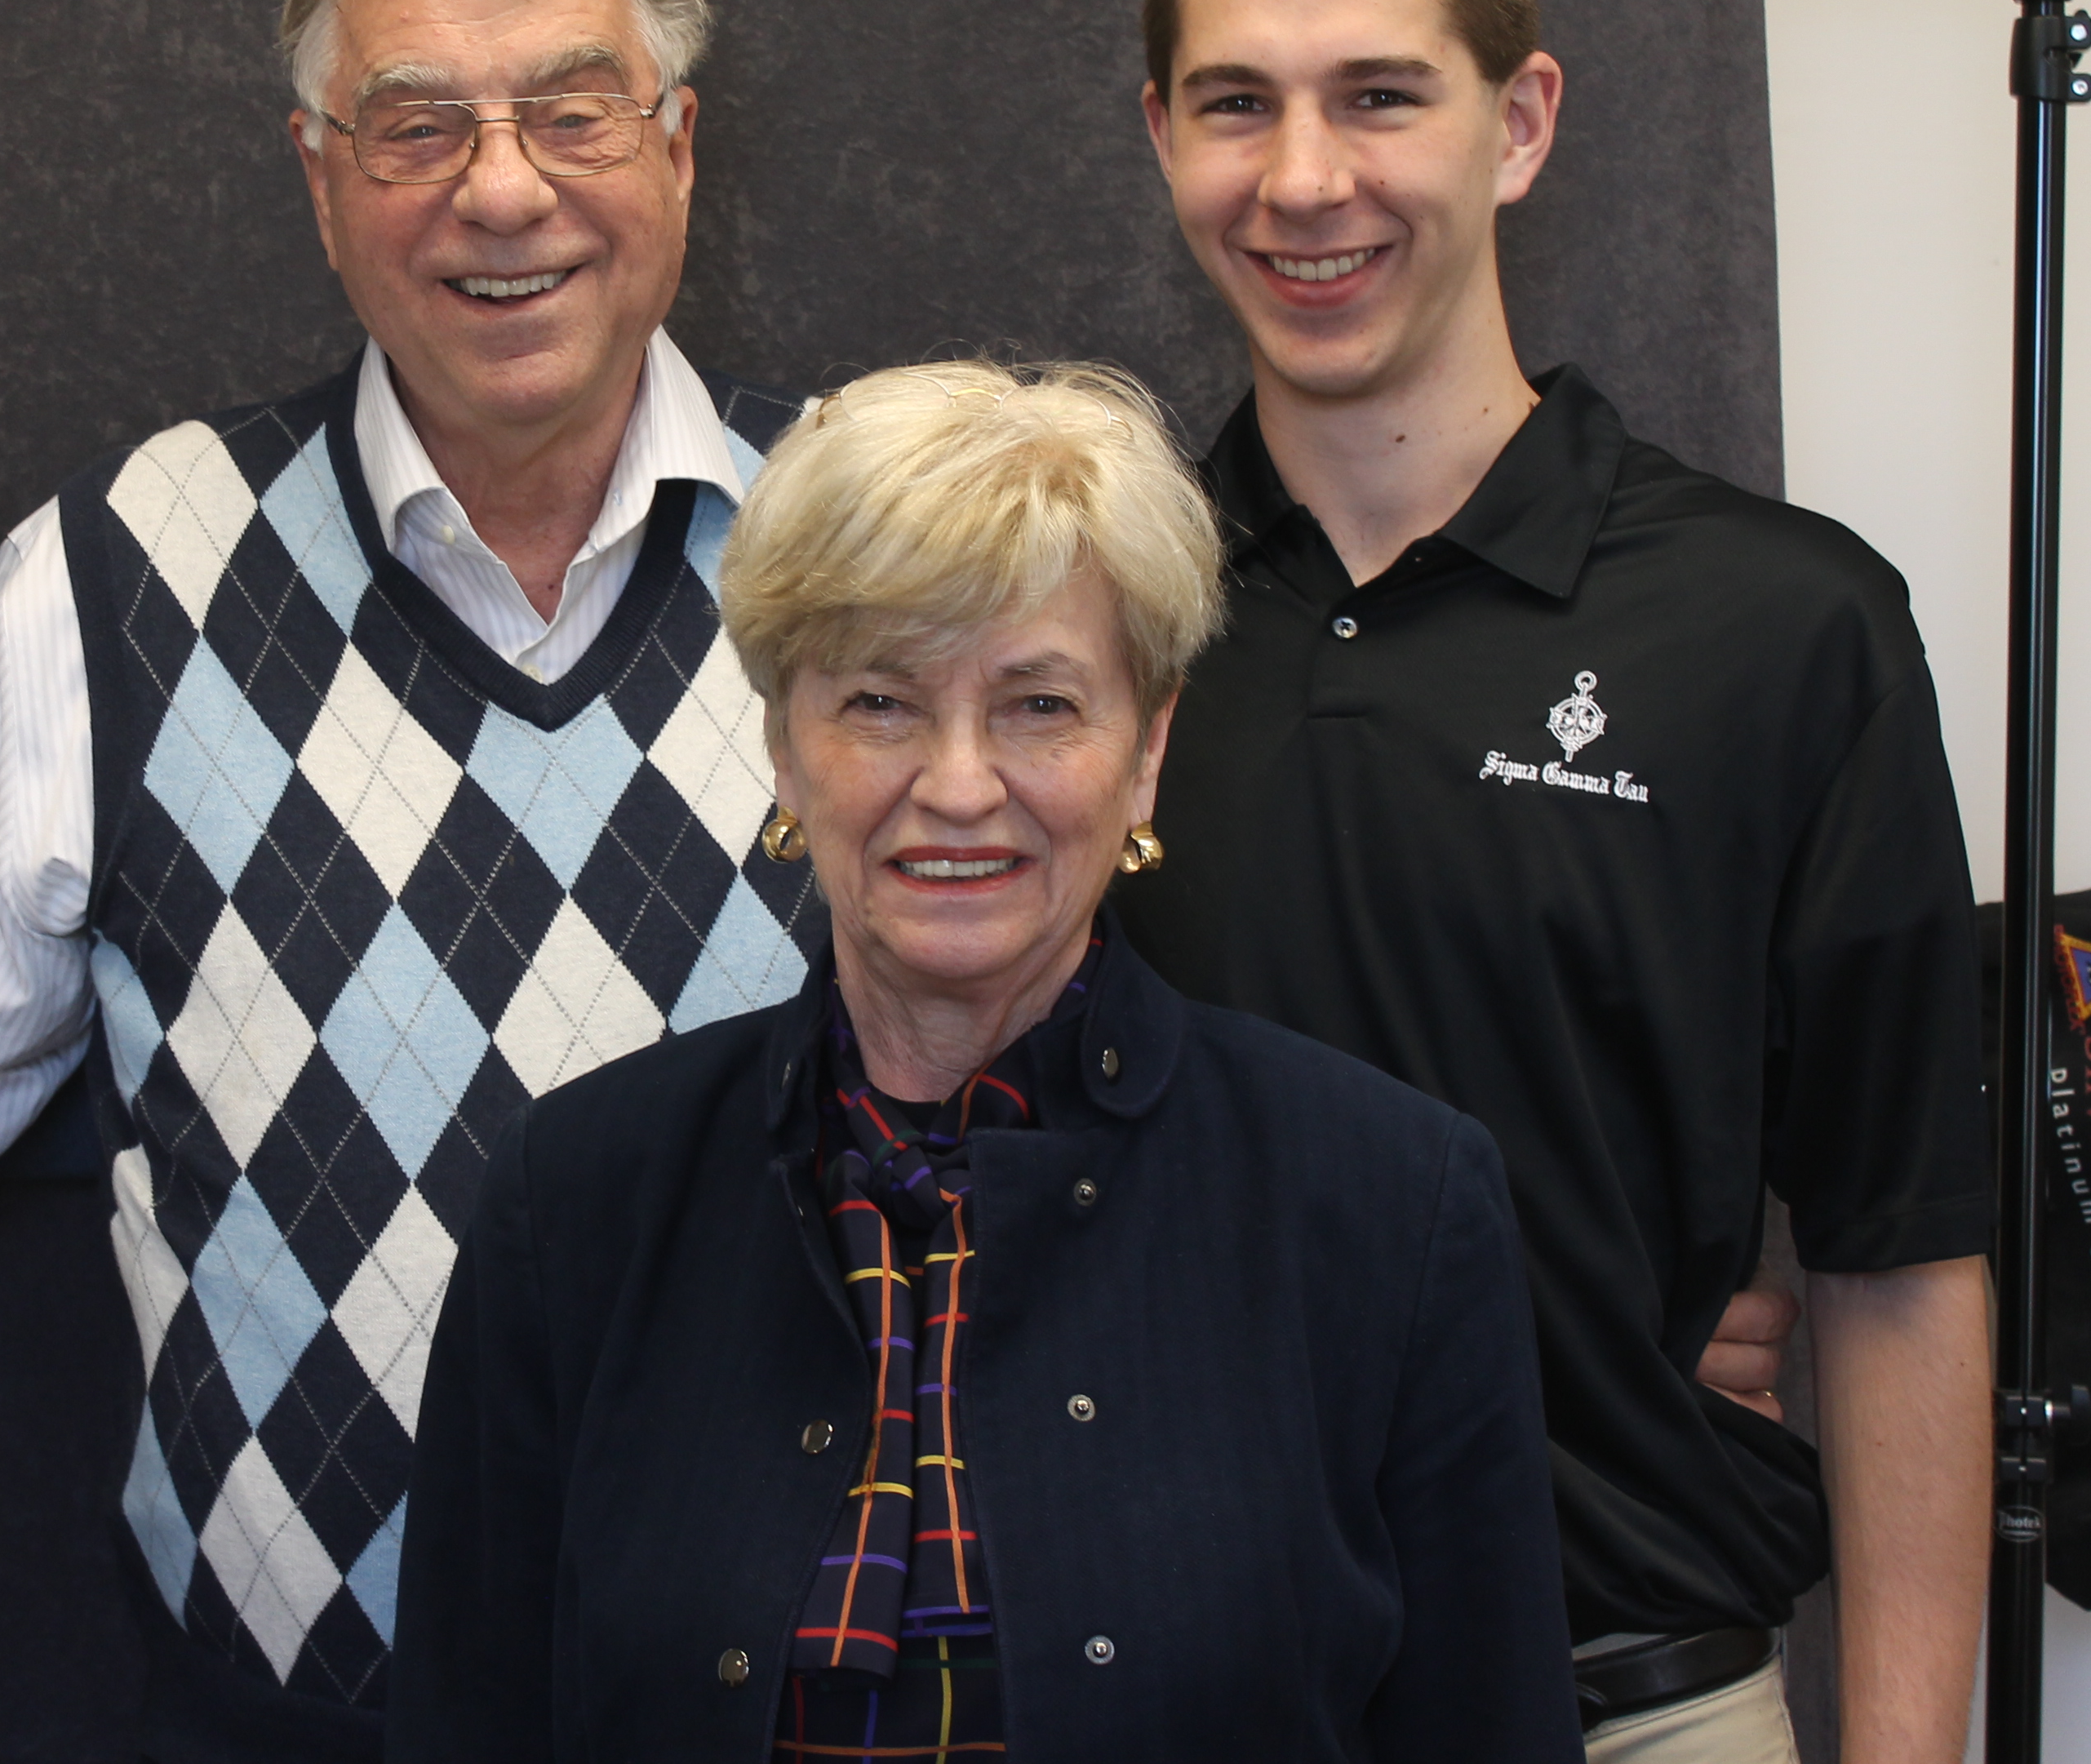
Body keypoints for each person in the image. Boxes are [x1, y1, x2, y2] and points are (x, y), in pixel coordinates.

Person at [0, 0, 825, 1761]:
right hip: (285, 1724)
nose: (501, 186)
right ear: (320, 176)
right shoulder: (120, 566)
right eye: (415, 125)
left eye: (574, 110)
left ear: (680, 152)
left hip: (807, 1697)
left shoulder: (869, 546)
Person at [1110, 0, 1991, 1761]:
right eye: (1238, 101)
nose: (1305, 176)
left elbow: (1900, 1250)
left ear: (1518, 124)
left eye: (1381, 96)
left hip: (1640, 1701)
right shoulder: (1088, 622)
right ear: (1162, 130)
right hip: (1158, 1690)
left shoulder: (1786, 628)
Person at [387, 358, 1581, 1762]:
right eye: (882, 703)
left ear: (1146, 755)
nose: (958, 785)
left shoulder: (1390, 1206)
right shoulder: (578, 1198)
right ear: (783, 747)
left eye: (1039, 705)